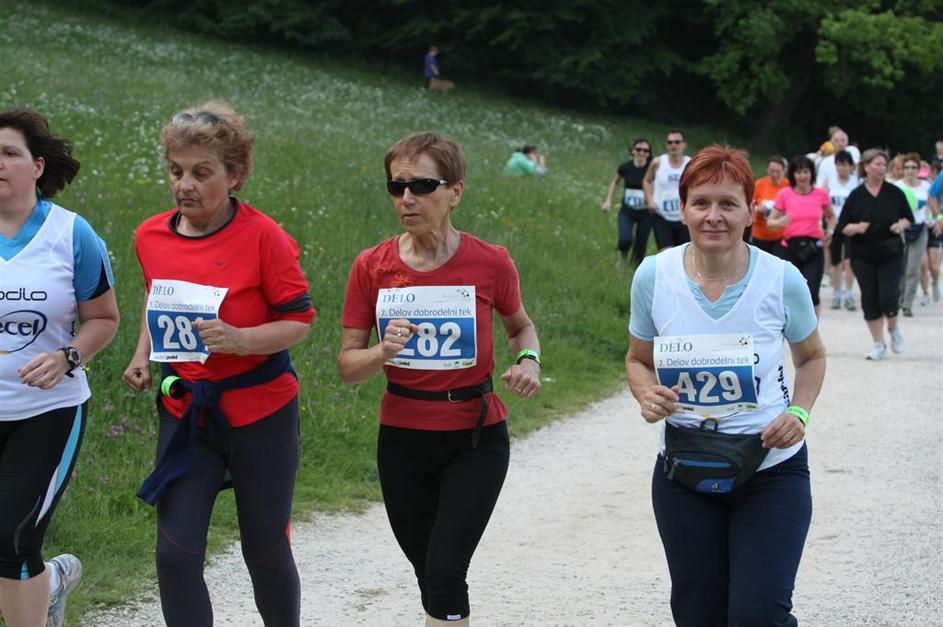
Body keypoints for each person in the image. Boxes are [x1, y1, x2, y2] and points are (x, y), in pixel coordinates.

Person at [121, 101, 315, 627]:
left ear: (235, 175)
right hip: (187, 411)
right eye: (175, 171)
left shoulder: (265, 237)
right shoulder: (150, 235)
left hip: (261, 413)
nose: (185, 185)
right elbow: (158, 296)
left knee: (264, 552)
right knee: (174, 556)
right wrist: (142, 355)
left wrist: (240, 339)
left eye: (201, 173)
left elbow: (299, 321)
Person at [338, 131, 541, 626]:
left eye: (423, 185)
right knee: (428, 572)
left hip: (475, 437)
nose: (407, 197)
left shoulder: (491, 261)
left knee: (447, 571)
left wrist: (529, 361)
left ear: (455, 192)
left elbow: (521, 327)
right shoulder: (372, 266)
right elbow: (347, 366)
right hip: (403, 438)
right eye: (397, 186)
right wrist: (382, 351)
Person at [625, 145, 825, 627]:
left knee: (758, 615)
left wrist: (798, 412)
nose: (713, 216)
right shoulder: (653, 275)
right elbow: (637, 359)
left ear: (750, 212)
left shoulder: (782, 280)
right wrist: (645, 392)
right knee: (698, 614)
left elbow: (812, 357)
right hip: (684, 472)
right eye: (701, 203)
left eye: (728, 204)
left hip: (770, 471)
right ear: (683, 209)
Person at [0, 109, 119, 627]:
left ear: (37, 166)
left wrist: (68, 356)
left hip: (47, 411)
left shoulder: (72, 234)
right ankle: (51, 583)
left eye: (9, 153)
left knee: (12, 537)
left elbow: (104, 318)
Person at [835, 149, 913, 360]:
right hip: (863, 256)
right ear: (866, 166)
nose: (881, 168)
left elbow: (908, 218)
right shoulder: (856, 195)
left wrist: (901, 225)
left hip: (891, 253)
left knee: (889, 297)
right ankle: (879, 344)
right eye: (877, 164)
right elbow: (843, 227)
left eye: (884, 164)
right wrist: (856, 228)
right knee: (870, 299)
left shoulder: (895, 193)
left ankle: (893, 328)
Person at [767, 155, 834, 316]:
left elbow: (831, 216)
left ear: (811, 174)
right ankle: (793, 325)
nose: (802, 176)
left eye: (805, 172)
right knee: (790, 293)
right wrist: (780, 222)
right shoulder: (785, 194)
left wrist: (830, 231)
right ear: (793, 175)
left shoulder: (821, 194)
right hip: (790, 248)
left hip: (814, 248)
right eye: (798, 172)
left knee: (812, 293)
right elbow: (770, 222)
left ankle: (812, 327)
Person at [601, 138, 653, 264]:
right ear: (633, 151)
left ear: (648, 153)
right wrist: (608, 201)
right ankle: (622, 258)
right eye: (639, 149)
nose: (642, 153)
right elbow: (615, 182)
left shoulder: (652, 168)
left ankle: (636, 268)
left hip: (646, 213)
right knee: (625, 239)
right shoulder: (625, 167)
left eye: (645, 151)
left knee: (641, 244)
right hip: (627, 210)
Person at [894, 153, 931, 316]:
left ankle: (907, 304)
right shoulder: (897, 186)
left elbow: (931, 205)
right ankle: (898, 299)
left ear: (918, 169)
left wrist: (932, 219)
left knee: (913, 268)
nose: (910, 170)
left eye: (913, 167)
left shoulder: (926, 186)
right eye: (907, 167)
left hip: (920, 227)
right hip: (901, 229)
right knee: (900, 266)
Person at [644, 130, 692, 250]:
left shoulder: (690, 164)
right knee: (666, 253)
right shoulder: (657, 162)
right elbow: (647, 181)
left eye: (677, 142)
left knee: (683, 252)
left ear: (684, 144)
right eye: (670, 142)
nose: (673, 145)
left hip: (684, 217)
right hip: (661, 216)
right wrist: (650, 201)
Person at [825, 150, 860, 310]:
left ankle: (849, 293)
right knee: (836, 261)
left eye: (845, 165)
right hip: (835, 225)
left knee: (849, 260)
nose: (842, 168)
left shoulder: (856, 182)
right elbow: (824, 204)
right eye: (839, 165)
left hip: (850, 225)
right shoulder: (829, 182)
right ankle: (836, 292)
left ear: (851, 166)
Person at [750, 155, 789, 256]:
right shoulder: (759, 184)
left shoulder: (788, 186)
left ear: (784, 171)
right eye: (772, 171)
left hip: (781, 236)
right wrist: (758, 209)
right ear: (767, 170)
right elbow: (748, 207)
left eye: (778, 171)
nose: (775, 174)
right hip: (760, 235)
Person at [922, 163, 943, 303]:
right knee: (927, 264)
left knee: (934, 265)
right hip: (928, 226)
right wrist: (939, 217)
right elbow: (931, 196)